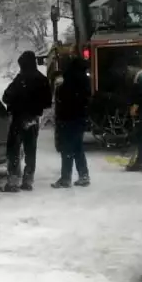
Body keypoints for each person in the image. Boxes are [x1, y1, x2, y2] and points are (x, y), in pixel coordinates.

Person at [1, 50, 52, 192]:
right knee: (30, 150)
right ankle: (28, 180)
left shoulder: (20, 79)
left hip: (17, 118)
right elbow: (48, 102)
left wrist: (16, 103)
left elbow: (6, 97)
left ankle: (13, 181)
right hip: (33, 119)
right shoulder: (42, 79)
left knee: (14, 150)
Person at [51, 56, 91, 189]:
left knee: (67, 148)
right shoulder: (85, 79)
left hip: (67, 118)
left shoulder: (67, 79)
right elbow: (86, 99)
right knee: (78, 147)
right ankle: (83, 175)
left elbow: (61, 99)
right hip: (79, 118)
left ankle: (65, 178)